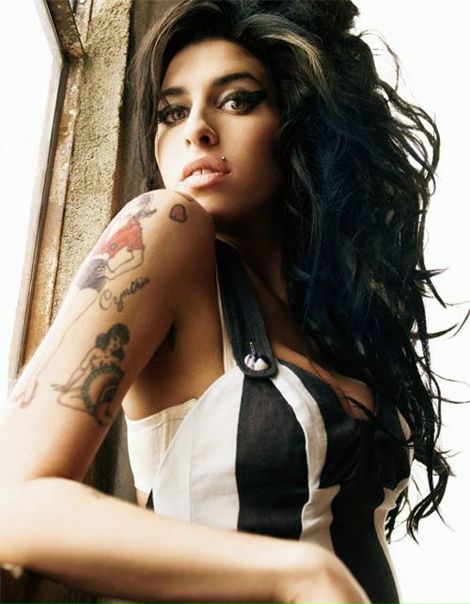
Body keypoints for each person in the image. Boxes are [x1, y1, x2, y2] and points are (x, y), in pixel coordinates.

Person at [0, 1, 454, 602]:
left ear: (298, 123)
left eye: (237, 100)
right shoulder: (164, 226)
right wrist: (299, 574)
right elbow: (11, 504)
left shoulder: (337, 322)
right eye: (172, 112)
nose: (197, 129)